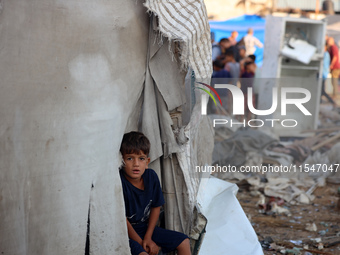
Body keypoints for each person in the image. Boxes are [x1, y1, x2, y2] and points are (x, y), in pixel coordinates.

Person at [119, 131, 191, 255]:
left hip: (145, 229)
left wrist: (148, 237)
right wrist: (142, 243)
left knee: (184, 241)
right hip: (125, 233)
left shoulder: (151, 177)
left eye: (141, 159)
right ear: (122, 161)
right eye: (130, 158)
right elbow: (122, 220)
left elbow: (156, 207)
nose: (136, 164)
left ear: (147, 162)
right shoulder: (119, 183)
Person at [321, 43, 337, 107]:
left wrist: (332, 66)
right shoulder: (325, 54)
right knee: (321, 90)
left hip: (323, 74)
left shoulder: (326, 54)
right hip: (323, 74)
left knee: (322, 90)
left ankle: (331, 101)